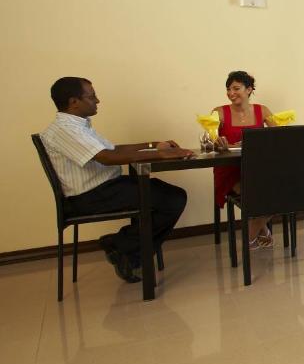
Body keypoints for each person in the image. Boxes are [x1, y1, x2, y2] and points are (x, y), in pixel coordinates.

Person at [40, 77, 192, 283]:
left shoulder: (78, 125)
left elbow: (113, 150)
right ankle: (121, 246)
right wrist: (162, 156)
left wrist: (154, 145)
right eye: (92, 96)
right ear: (74, 102)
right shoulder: (64, 130)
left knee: (169, 196)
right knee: (172, 199)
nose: (98, 100)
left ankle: (127, 252)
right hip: (90, 196)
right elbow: (107, 158)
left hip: (106, 188)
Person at [212, 71, 278, 248]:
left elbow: (280, 136)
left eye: (236, 88)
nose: (231, 93)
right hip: (230, 171)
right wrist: (216, 142)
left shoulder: (262, 110)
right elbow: (209, 139)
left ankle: (252, 232)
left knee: (281, 191)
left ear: (249, 89)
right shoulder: (219, 112)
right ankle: (254, 234)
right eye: (228, 89)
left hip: (257, 169)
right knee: (258, 195)